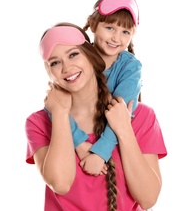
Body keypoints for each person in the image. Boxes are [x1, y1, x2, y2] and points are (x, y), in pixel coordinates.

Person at [25, 22, 167, 211]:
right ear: (49, 73)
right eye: (55, 62)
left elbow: (148, 198)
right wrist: (59, 113)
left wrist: (123, 128)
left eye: (73, 54)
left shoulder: (142, 116)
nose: (67, 67)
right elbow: (61, 183)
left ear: (91, 57)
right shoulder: (38, 123)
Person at [51, 0, 142, 175]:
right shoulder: (77, 59)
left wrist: (100, 153)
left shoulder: (131, 67)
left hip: (115, 139)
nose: (116, 38)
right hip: (81, 137)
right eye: (110, 28)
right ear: (93, 24)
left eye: (125, 32)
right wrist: (80, 144)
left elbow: (121, 113)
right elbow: (55, 104)